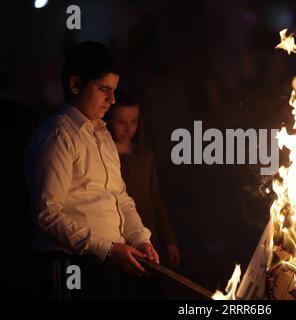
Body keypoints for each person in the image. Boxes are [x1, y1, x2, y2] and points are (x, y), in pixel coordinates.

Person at [25, 41, 159, 299]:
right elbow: (47, 214)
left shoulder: (102, 135)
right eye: (103, 90)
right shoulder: (58, 135)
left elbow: (120, 197)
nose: (112, 100)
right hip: (70, 265)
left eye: (114, 91)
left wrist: (139, 239)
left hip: (105, 264)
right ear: (75, 85)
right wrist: (107, 249)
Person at [105, 90, 180, 269]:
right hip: (119, 239)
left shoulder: (145, 156)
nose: (128, 129)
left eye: (133, 121)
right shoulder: (104, 156)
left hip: (148, 237)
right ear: (109, 120)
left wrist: (169, 239)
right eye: (121, 122)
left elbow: (155, 198)